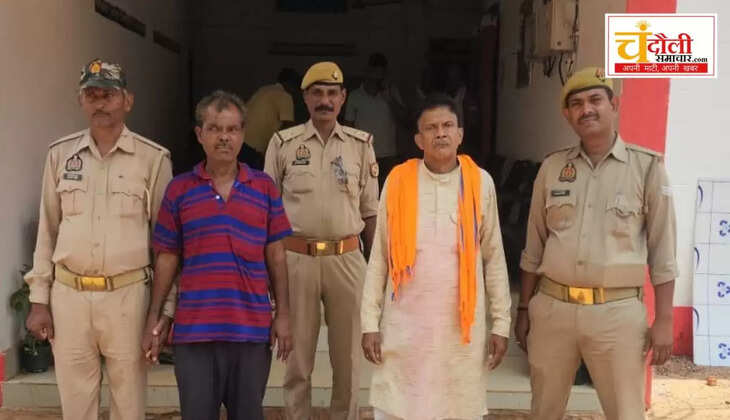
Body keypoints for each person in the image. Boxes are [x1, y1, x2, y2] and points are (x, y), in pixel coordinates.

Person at [514, 67, 678, 420]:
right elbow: (534, 246)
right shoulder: (552, 168)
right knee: (543, 409)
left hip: (616, 314)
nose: (586, 109)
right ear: (567, 114)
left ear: (613, 104)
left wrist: (664, 318)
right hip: (553, 309)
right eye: (576, 104)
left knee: (625, 411)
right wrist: (524, 309)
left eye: (595, 100)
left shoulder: (647, 168)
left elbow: (663, 250)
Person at [23, 59, 175, 420]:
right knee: (76, 405)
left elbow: (167, 246)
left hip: (128, 298)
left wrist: (163, 311)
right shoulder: (60, 155)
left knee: (129, 404)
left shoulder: (153, 159)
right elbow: (48, 231)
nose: (100, 103)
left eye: (108, 94)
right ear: (81, 101)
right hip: (69, 298)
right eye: (91, 95)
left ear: (128, 100)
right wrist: (39, 299)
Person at [142, 90, 293, 420]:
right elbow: (167, 258)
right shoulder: (180, 189)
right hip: (194, 333)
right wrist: (154, 315)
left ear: (243, 134)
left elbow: (277, 256)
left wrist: (283, 314)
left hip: (250, 331)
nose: (224, 137)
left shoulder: (264, 187)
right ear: (200, 134)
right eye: (214, 129)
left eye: (232, 129)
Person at [360, 94, 511, 420]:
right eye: (430, 128)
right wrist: (369, 323)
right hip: (405, 326)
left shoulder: (480, 183)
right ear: (419, 140)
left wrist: (501, 324)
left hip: (459, 331)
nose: (440, 133)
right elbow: (379, 259)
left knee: (456, 408)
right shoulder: (397, 181)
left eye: (447, 125)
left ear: (460, 134)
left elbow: (494, 259)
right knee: (400, 405)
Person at [264, 61, 379, 420]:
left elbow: (371, 212)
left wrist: (377, 271)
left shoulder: (361, 146)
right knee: (297, 358)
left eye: (332, 93)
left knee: (349, 358)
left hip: (348, 258)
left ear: (343, 98)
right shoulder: (283, 144)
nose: (325, 100)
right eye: (317, 93)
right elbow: (267, 213)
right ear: (305, 98)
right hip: (297, 259)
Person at [344, 53, 399, 189]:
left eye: (381, 74)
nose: (377, 78)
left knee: (388, 194)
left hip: (388, 156)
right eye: (375, 73)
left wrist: (390, 99)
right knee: (364, 194)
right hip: (364, 155)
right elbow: (348, 128)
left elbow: (405, 119)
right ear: (367, 72)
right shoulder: (355, 96)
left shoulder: (391, 93)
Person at [241, 68, 301, 170]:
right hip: (254, 148)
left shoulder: (263, 89)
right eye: (296, 87)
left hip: (239, 140)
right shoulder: (285, 96)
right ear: (290, 84)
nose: (295, 91)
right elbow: (288, 128)